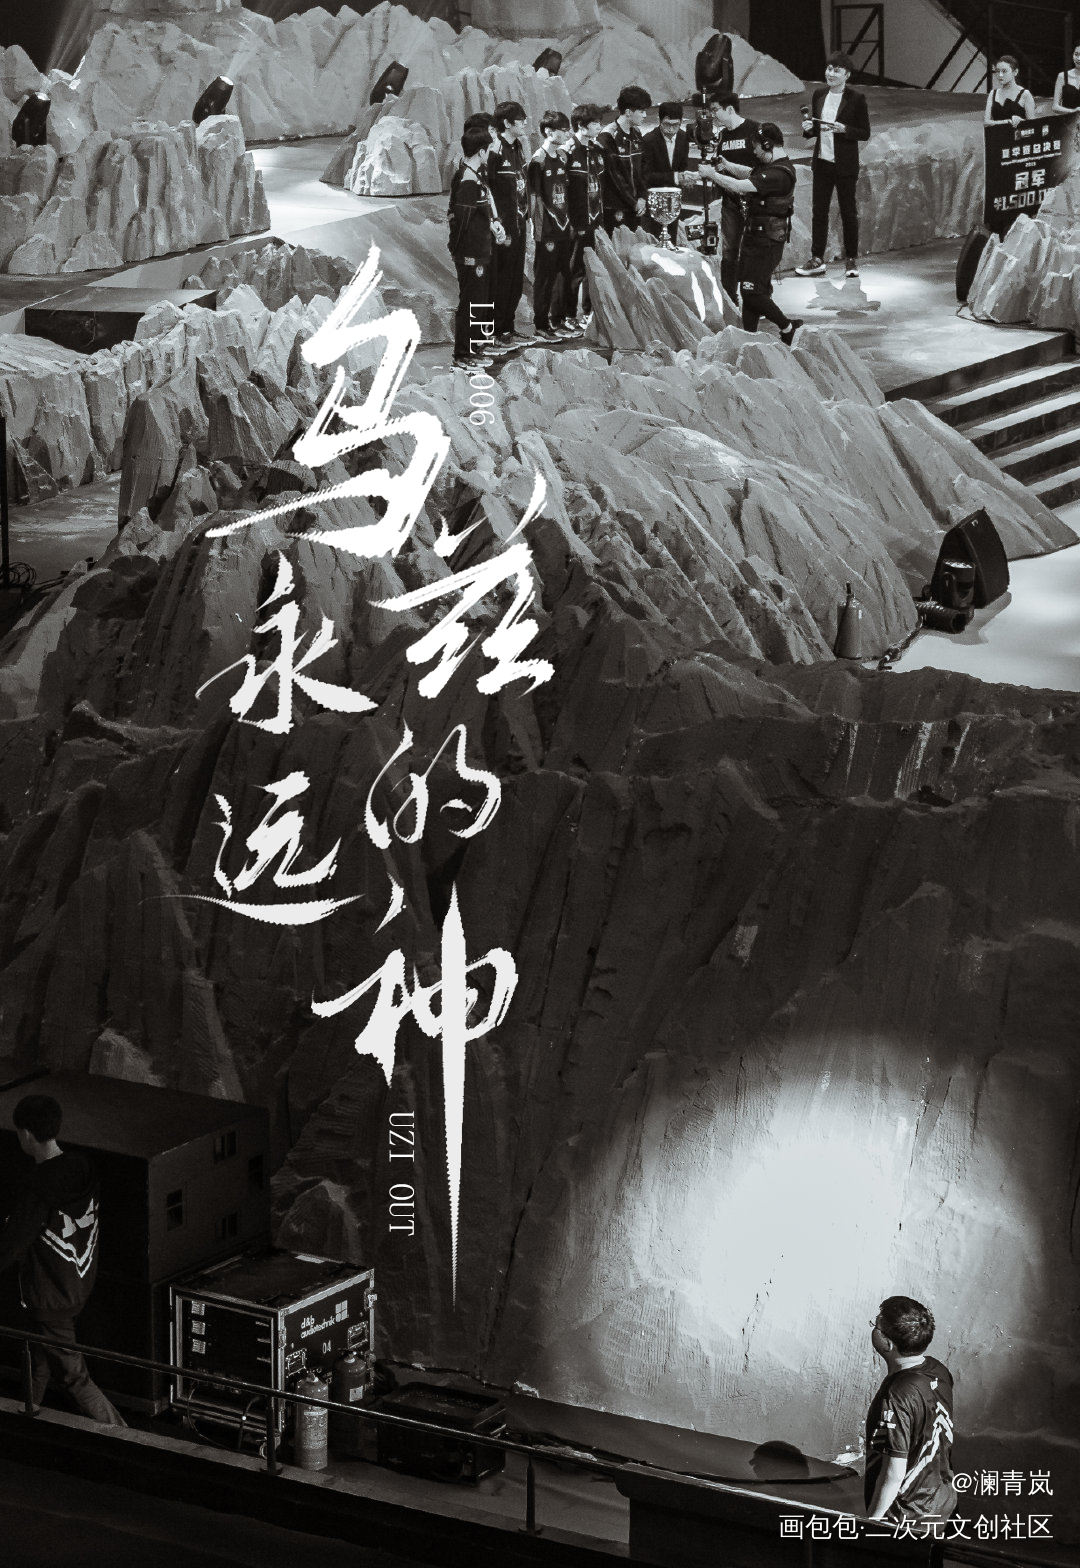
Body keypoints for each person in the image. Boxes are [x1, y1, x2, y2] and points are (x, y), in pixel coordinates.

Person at [0, 1094, 125, 1425]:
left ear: (26, 1134)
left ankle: (126, 1435)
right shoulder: (83, 1168)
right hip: (77, 1283)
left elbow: (9, 1247)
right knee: (37, 1354)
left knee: (75, 1378)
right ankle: (27, 1414)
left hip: (49, 1296)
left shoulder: (36, 1188)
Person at [707, 122, 801, 344]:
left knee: (752, 291)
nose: (755, 152)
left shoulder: (780, 174)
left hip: (766, 242)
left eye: (757, 147)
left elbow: (741, 186)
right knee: (750, 291)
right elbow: (750, 174)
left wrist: (712, 175)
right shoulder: (770, 167)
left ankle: (787, 327)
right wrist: (726, 165)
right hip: (755, 238)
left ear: (767, 144)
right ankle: (749, 339)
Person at [865, 1296, 956, 1526]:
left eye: (876, 1325)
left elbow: (894, 1474)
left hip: (906, 1516)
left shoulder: (898, 1394)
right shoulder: (938, 1370)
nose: (873, 1329)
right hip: (940, 1502)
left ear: (887, 1344)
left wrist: (869, 1524)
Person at [794, 51, 871, 280]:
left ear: (847, 75)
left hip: (844, 165)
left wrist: (845, 129)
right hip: (822, 163)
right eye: (829, 69)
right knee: (819, 212)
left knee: (848, 212)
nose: (831, 74)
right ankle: (817, 258)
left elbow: (864, 132)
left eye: (837, 70)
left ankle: (851, 259)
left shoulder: (856, 98)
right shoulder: (819, 95)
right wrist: (808, 128)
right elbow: (816, 131)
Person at [448, 125, 506, 368]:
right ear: (481, 151)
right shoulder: (468, 180)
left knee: (480, 300)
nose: (490, 153)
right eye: (489, 149)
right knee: (470, 302)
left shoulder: (476, 174)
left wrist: (494, 224)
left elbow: (482, 211)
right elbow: (461, 222)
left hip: (482, 250)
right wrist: (460, 251)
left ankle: (475, 347)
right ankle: (462, 354)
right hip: (470, 254)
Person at [529, 110, 576, 342]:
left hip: (564, 226)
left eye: (568, 129)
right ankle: (541, 325)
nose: (568, 134)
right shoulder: (538, 160)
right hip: (546, 229)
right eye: (563, 130)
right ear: (549, 131)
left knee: (563, 275)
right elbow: (534, 199)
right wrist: (538, 230)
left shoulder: (563, 157)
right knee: (544, 278)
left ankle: (559, 320)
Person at [488, 101, 533, 349]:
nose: (524, 123)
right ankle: (495, 332)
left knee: (516, 280)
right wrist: (495, 223)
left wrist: (528, 219)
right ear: (506, 123)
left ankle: (508, 327)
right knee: (502, 279)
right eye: (520, 119)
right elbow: (487, 190)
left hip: (520, 224)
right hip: (503, 228)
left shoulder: (518, 147)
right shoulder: (495, 151)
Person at [709, 90, 760, 300]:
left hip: (754, 200)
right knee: (729, 249)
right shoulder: (721, 136)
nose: (712, 115)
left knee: (753, 249)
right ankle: (730, 297)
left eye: (715, 110)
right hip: (730, 201)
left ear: (729, 109)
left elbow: (759, 169)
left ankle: (756, 295)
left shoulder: (754, 129)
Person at [566, 103, 606, 328]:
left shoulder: (597, 150)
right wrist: (572, 222)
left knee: (594, 268)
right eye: (595, 123)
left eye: (600, 122)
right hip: (576, 222)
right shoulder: (568, 151)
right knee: (575, 270)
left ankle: (589, 313)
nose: (599, 127)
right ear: (581, 126)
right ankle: (569, 315)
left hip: (596, 220)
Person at [597, 84, 651, 234]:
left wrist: (642, 198)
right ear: (628, 112)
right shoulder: (607, 136)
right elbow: (615, 177)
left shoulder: (637, 133)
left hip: (637, 206)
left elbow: (643, 170)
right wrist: (633, 202)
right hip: (616, 208)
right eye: (642, 111)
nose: (645, 115)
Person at [640, 101, 692, 243]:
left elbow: (683, 166)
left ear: (681, 122)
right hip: (654, 200)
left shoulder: (683, 137)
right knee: (654, 241)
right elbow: (646, 175)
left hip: (674, 198)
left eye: (676, 125)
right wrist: (675, 177)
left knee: (672, 239)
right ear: (659, 120)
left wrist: (685, 178)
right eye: (667, 124)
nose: (671, 129)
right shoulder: (648, 140)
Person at [985, 55, 1036, 126]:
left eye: (1004, 71)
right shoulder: (993, 93)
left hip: (1016, 132)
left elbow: (1033, 124)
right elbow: (986, 122)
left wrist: (1021, 121)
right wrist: (1007, 122)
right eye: (997, 71)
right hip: (997, 132)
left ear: (1015, 72)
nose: (1000, 75)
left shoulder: (1025, 94)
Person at [1052, 42, 1080, 111]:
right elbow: (1055, 107)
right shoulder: (1062, 76)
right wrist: (1073, 111)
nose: (1079, 58)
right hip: (1068, 117)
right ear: (1072, 55)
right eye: (1076, 54)